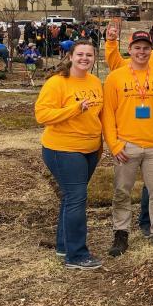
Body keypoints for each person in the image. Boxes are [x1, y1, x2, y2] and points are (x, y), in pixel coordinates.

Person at [101, 31, 153, 256]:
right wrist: (114, 145)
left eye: (146, 48)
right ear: (130, 49)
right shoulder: (116, 77)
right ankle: (121, 233)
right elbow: (107, 114)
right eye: (137, 47)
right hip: (126, 145)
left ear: (151, 50)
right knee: (121, 192)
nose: (142, 52)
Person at [35, 41, 104, 269]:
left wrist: (100, 145)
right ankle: (76, 256)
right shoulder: (57, 83)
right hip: (62, 149)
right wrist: (75, 108)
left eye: (89, 55)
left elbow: (97, 117)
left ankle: (64, 245)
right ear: (71, 56)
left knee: (70, 197)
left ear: (95, 58)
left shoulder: (94, 82)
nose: (85, 58)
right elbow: (42, 115)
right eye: (80, 54)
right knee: (77, 197)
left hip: (89, 150)